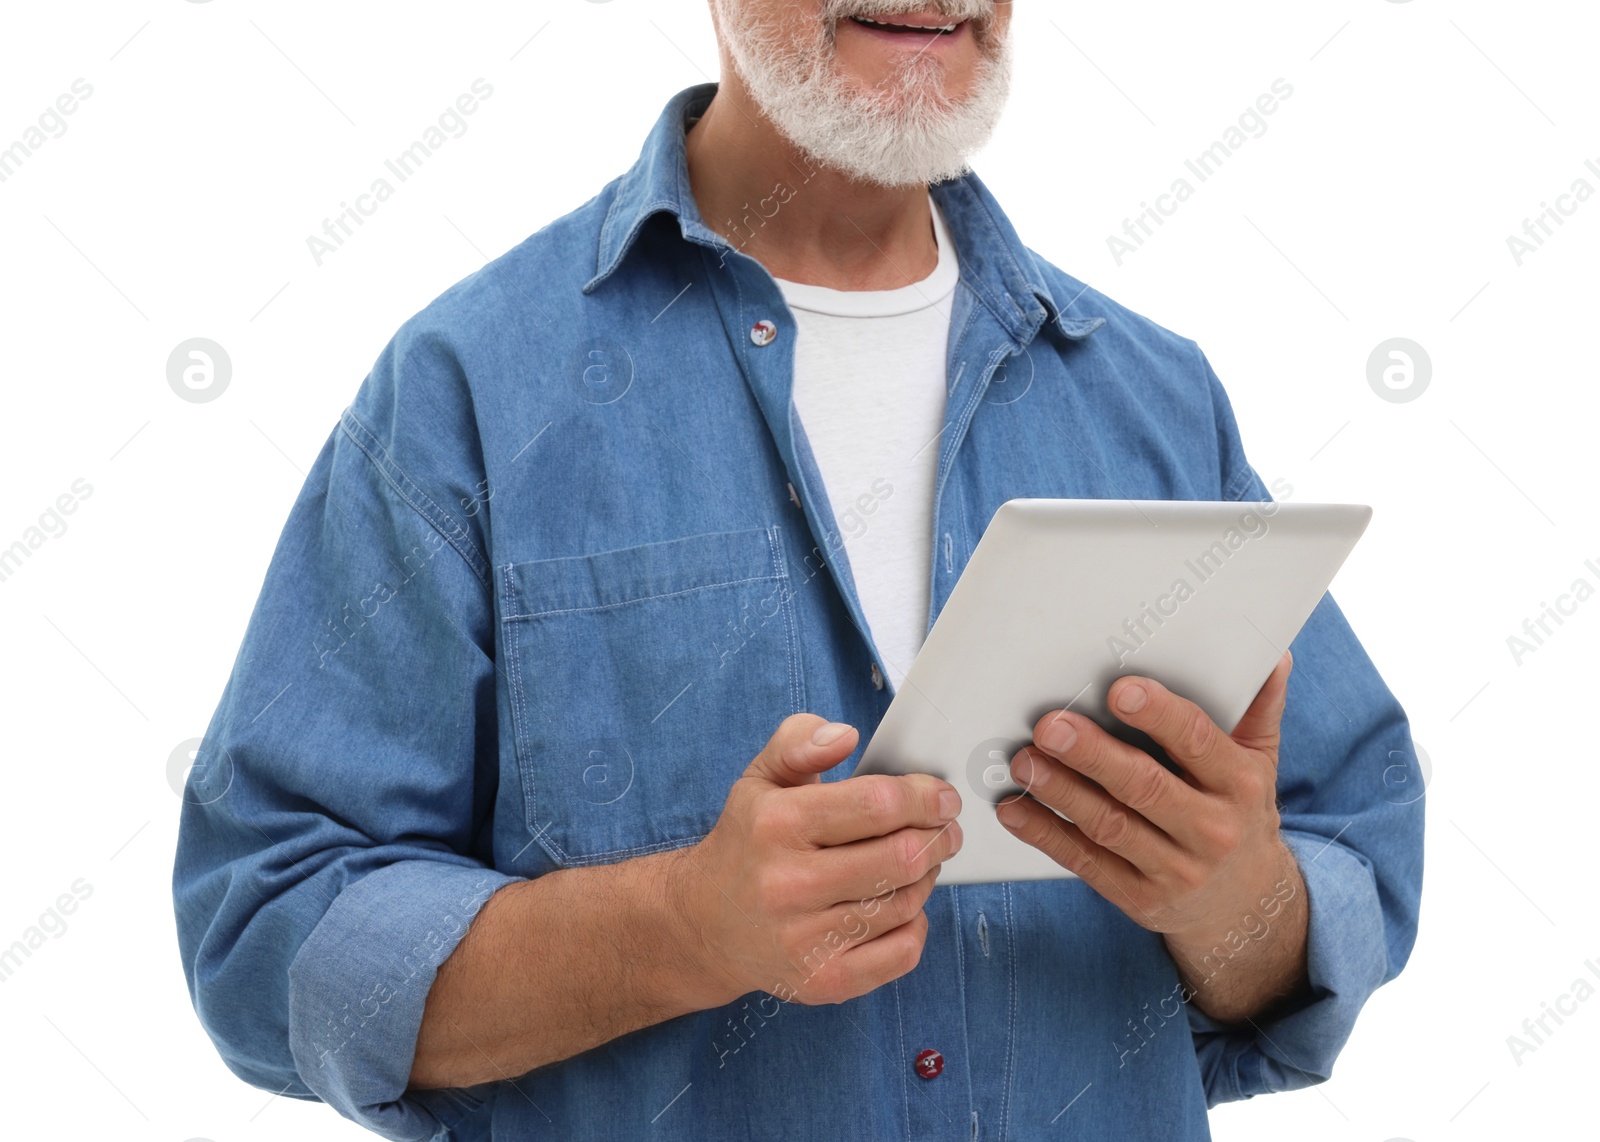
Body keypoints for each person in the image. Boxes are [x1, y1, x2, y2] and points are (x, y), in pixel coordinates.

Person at [172, 2, 1424, 1139]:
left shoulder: (1157, 399)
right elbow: (267, 928)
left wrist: (1230, 898)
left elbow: (1348, 859)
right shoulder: (472, 389)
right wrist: (674, 930)